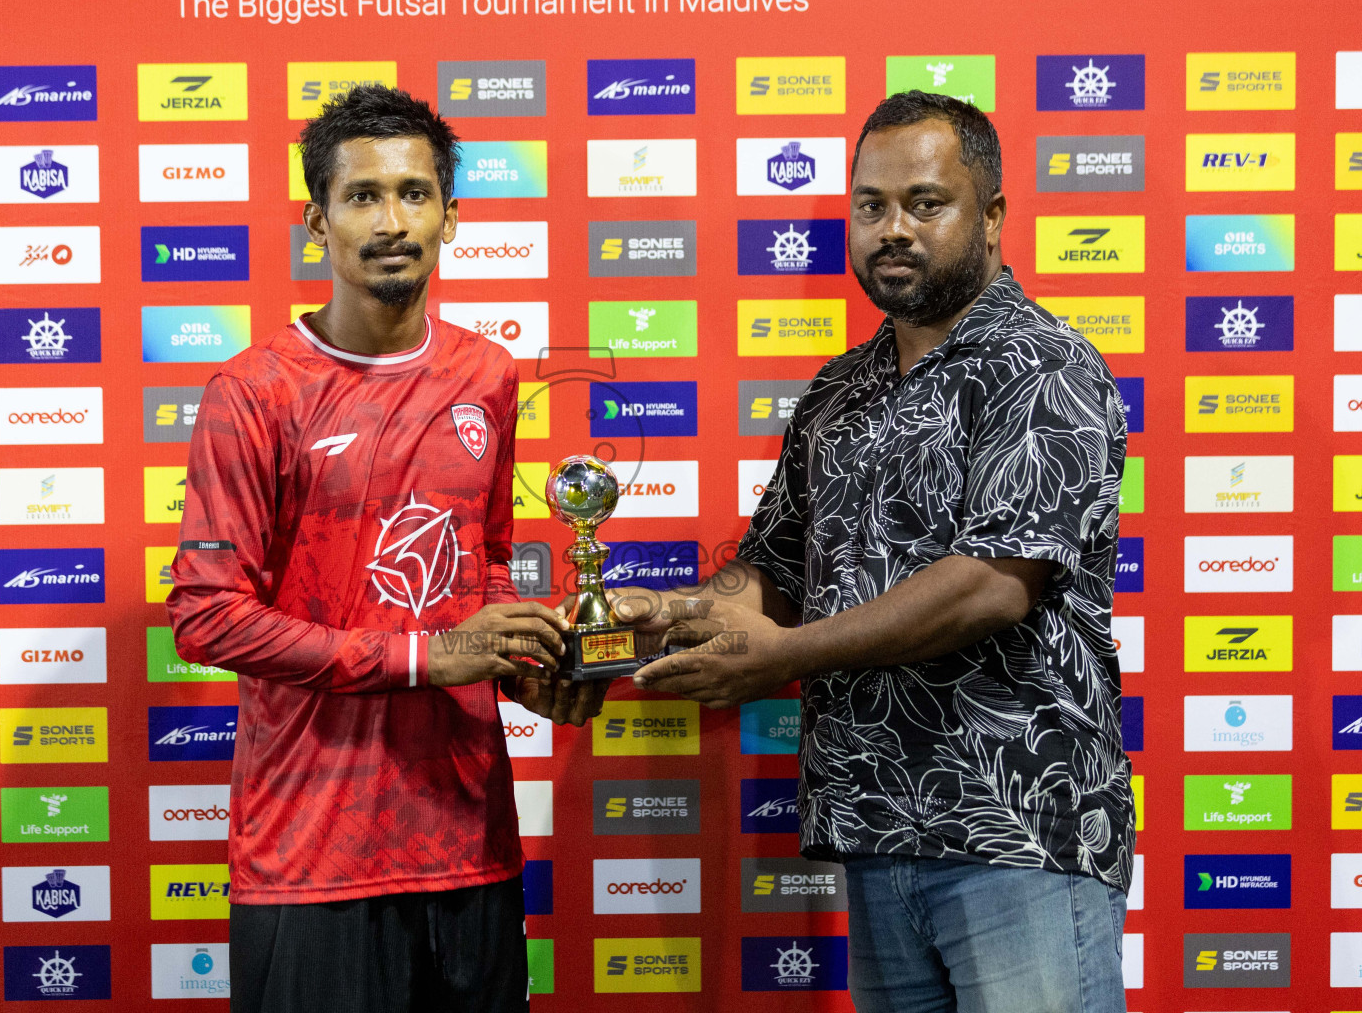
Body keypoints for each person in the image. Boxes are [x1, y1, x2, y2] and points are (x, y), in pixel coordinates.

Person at [624, 90, 1134, 1012]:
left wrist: (780, 658)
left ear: (993, 218)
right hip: (874, 831)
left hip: (1015, 833)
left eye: (924, 204)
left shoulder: (1045, 366)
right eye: (870, 206)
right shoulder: (837, 391)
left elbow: (990, 586)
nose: (892, 229)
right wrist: (669, 621)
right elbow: (771, 570)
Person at [166, 84, 606, 1013]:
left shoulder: (485, 373)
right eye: (363, 195)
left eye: (414, 193)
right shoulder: (256, 391)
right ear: (316, 220)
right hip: (310, 853)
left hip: (465, 840)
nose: (392, 219)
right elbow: (207, 619)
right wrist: (425, 655)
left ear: (452, 215)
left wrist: (527, 662)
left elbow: (482, 559)